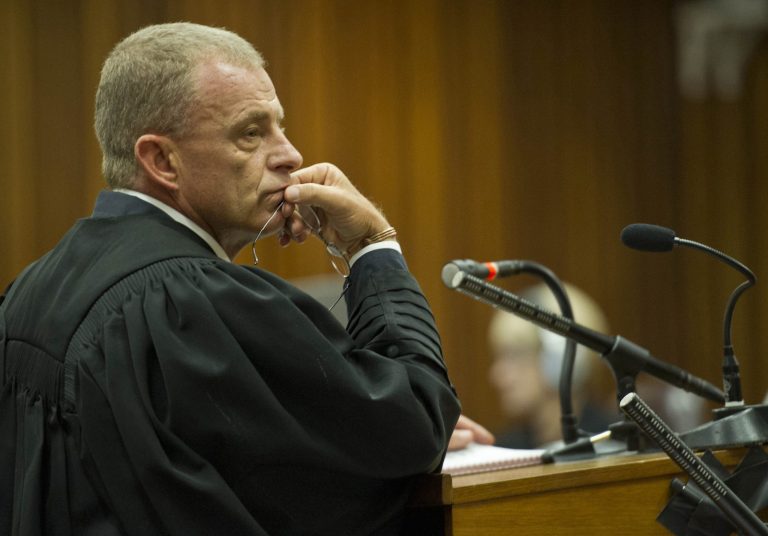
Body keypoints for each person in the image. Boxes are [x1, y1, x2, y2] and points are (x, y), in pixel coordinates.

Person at [0, 22, 461, 536]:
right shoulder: (189, 300)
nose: (290, 155)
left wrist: (335, 423)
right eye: (251, 132)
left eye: (280, 126)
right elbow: (415, 428)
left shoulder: (29, 290)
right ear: (161, 161)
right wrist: (372, 248)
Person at [487, 282, 619, 449]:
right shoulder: (504, 451)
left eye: (514, 355)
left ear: (560, 357)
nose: (496, 375)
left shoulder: (619, 445)